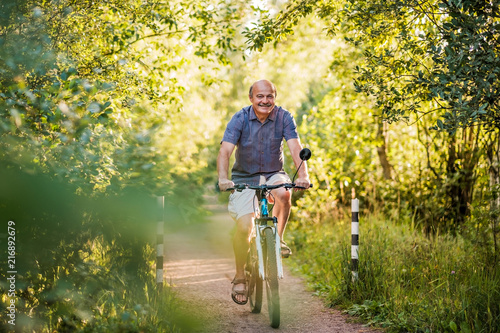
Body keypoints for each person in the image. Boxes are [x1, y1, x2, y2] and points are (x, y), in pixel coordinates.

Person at [217, 79, 310, 305]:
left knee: (285, 194)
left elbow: (295, 147)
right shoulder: (239, 118)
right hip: (244, 178)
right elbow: (225, 151)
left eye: (269, 96)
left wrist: (303, 176)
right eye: (260, 96)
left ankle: (276, 241)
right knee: (244, 228)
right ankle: (240, 275)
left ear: (274, 98)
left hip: (273, 173)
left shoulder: (284, 117)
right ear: (251, 98)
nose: (265, 101)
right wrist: (223, 178)